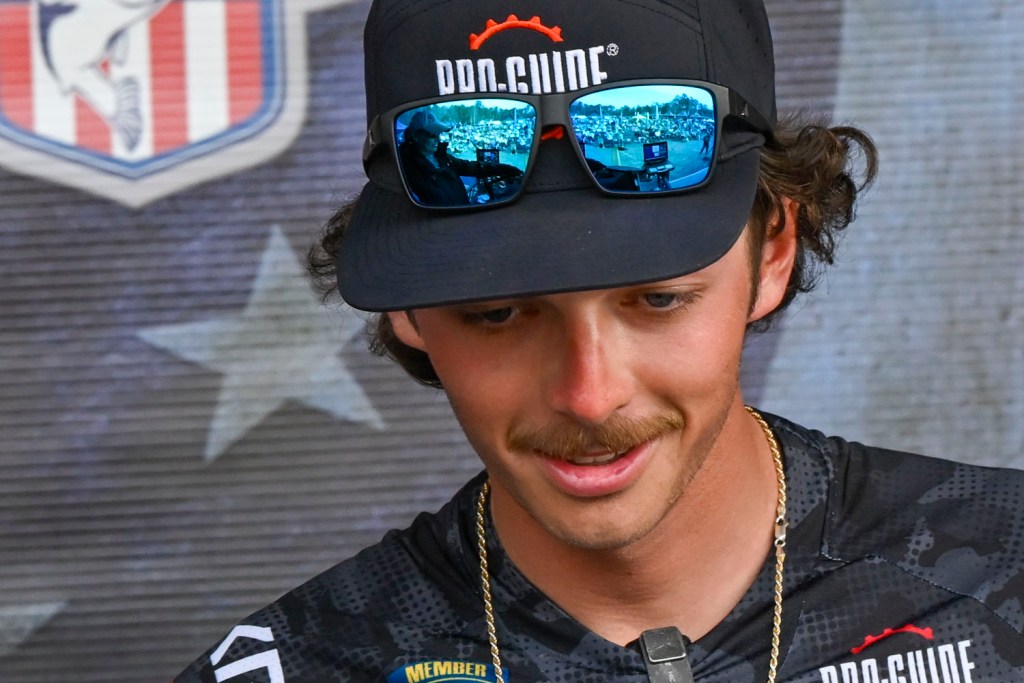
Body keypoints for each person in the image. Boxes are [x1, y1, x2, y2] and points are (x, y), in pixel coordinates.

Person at [176, 0, 1024, 681]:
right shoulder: (296, 665)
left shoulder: (1005, 568)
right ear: (407, 306)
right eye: (498, 314)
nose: (590, 395)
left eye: (657, 299)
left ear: (773, 249)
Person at [398, 110, 522, 207]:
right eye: (432, 135)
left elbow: (473, 167)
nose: (438, 139)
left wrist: (507, 169)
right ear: (416, 136)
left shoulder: (444, 158)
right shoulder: (405, 167)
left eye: (439, 134)